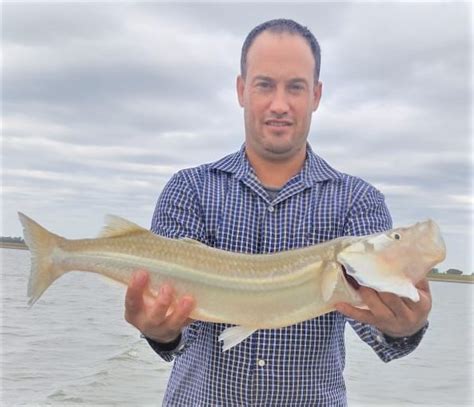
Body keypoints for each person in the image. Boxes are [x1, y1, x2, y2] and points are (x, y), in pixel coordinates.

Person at [124, 19, 431, 406]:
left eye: (296, 87)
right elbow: (176, 338)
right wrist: (159, 330)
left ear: (316, 95)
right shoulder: (190, 190)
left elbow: (378, 332)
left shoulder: (358, 201)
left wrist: (406, 327)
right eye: (265, 84)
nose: (280, 104)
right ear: (241, 90)